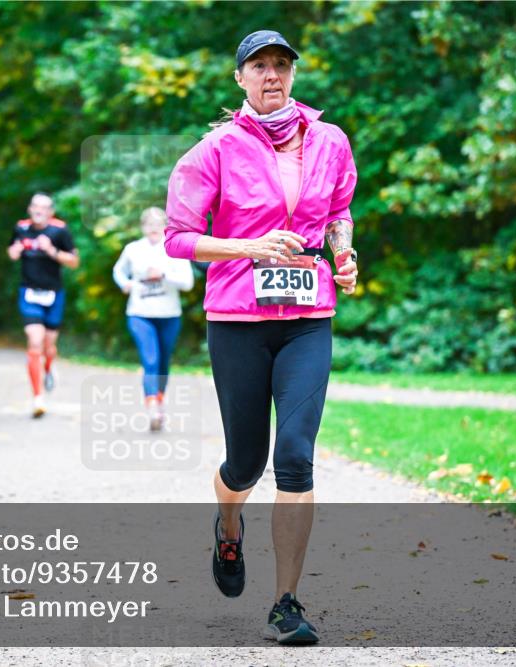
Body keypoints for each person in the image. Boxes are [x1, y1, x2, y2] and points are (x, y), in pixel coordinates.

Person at [164, 30, 359, 645]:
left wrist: (345, 253)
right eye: (259, 66)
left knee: (295, 457)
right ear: (240, 78)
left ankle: (287, 603)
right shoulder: (214, 149)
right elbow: (178, 238)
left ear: (293, 74)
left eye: (282, 65)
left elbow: (338, 213)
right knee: (245, 461)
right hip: (237, 321)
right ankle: (228, 525)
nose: (272, 75)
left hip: (308, 319)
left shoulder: (330, 140)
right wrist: (248, 246)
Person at [112, 206, 194, 431]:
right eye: (149, 224)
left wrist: (164, 275)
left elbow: (187, 283)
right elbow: (118, 271)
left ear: (165, 226)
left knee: (163, 363)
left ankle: (159, 400)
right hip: (140, 313)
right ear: (143, 227)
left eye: (158, 224)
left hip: (169, 315)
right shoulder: (133, 249)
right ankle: (152, 409)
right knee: (150, 360)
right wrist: (124, 283)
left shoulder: (174, 249)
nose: (154, 228)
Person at [7, 192, 80, 418]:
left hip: (53, 295)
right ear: (29, 210)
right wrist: (15, 251)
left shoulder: (60, 231)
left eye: (44, 207)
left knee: (49, 346)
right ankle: (38, 398)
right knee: (35, 341)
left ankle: (48, 366)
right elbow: (11, 252)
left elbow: (74, 261)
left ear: (50, 212)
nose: (39, 211)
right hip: (28, 293)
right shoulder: (21, 229)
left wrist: (52, 251)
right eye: (35, 207)